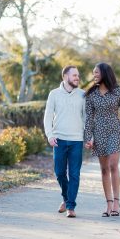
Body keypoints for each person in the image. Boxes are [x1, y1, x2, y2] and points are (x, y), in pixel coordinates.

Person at [84, 62, 120, 217]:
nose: (94, 75)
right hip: (98, 132)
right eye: (93, 73)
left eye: (96, 72)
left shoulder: (118, 91)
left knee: (113, 165)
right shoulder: (91, 94)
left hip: (114, 131)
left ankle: (117, 201)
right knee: (104, 169)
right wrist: (88, 138)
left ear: (104, 73)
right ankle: (109, 204)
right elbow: (89, 118)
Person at [43, 65, 85, 218]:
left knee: (74, 174)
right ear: (65, 77)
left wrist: (88, 137)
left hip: (76, 140)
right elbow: (48, 116)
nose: (77, 78)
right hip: (59, 140)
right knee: (60, 173)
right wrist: (49, 135)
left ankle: (71, 206)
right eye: (74, 75)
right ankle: (66, 199)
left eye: (78, 75)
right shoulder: (54, 94)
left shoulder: (82, 95)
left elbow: (86, 118)